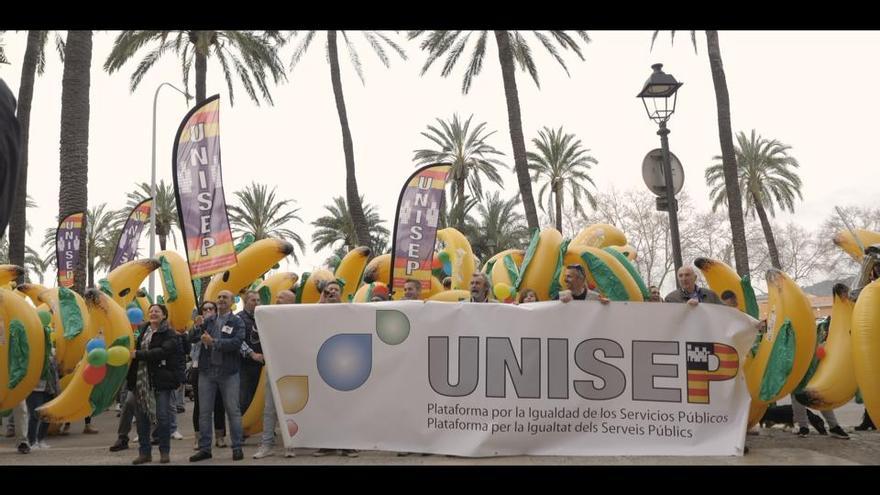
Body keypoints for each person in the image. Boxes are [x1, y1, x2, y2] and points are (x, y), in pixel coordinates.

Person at [189, 290, 246, 462]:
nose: (221, 300)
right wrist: (196, 326)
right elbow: (191, 339)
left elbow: (237, 343)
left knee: (233, 411)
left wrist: (214, 343)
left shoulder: (237, 321)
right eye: (219, 297)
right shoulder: (208, 321)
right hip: (207, 372)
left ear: (232, 301)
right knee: (204, 413)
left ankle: (237, 447)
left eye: (225, 297)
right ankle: (205, 449)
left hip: (228, 373)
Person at [129, 304, 184, 464]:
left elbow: (163, 352)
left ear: (164, 315)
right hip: (141, 382)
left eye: (157, 311)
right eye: (151, 311)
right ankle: (144, 453)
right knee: (142, 418)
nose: (153, 313)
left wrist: (138, 354)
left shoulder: (170, 333)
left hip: (161, 381)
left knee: (163, 418)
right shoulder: (143, 330)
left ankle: (164, 452)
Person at [313, 280, 358, 458]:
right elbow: (307, 316)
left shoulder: (349, 309)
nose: (332, 292)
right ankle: (327, 445)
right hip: (324, 364)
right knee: (325, 406)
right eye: (329, 290)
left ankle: (348, 445)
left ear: (341, 293)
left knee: (347, 406)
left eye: (335, 290)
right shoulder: (318, 310)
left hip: (346, 364)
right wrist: (322, 299)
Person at [253, 289, 297, 459]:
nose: (277, 300)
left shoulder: (298, 318)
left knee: (293, 409)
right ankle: (267, 444)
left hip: (293, 370)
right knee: (270, 408)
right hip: (273, 369)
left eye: (282, 298)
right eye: (277, 297)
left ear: (291, 302)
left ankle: (291, 445)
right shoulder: (268, 317)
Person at [186, 301, 228, 451]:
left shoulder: (221, 324)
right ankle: (199, 438)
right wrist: (198, 325)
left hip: (218, 367)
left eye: (211, 308)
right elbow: (190, 339)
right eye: (205, 309)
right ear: (201, 312)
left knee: (219, 403)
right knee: (200, 405)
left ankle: (220, 436)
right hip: (199, 368)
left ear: (216, 311)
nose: (208, 311)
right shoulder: (198, 325)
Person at [237, 291, 264, 416]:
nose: (256, 303)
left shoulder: (262, 316)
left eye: (258, 300)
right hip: (245, 365)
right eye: (253, 300)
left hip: (261, 364)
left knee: (259, 397)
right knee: (244, 398)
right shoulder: (239, 318)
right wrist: (252, 354)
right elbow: (238, 341)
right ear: (246, 302)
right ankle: (242, 427)